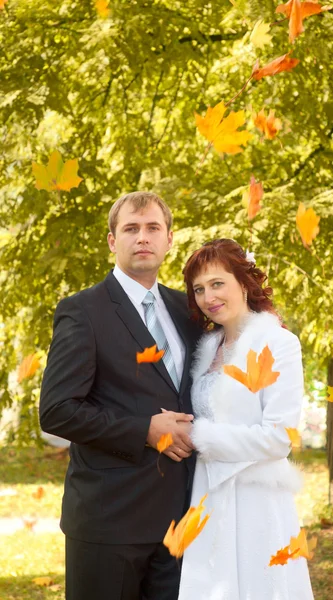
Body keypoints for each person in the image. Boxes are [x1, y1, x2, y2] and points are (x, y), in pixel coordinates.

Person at [40, 191, 200, 600]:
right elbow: (57, 412)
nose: (142, 237)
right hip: (107, 522)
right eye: (131, 228)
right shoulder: (83, 311)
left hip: (180, 524)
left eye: (152, 228)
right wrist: (144, 429)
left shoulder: (189, 311)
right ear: (113, 241)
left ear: (169, 239)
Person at [176, 239, 314, 600]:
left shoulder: (279, 343)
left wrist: (199, 436)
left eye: (217, 283)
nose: (209, 297)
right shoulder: (207, 349)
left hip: (256, 498)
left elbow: (279, 438)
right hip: (206, 495)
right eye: (199, 289)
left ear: (243, 282)